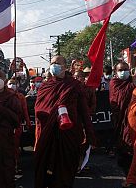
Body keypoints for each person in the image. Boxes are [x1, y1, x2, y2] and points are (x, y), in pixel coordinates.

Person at [34, 56, 96, 188]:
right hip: (48, 133)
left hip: (69, 133)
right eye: (52, 63)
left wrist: (90, 134)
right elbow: (38, 108)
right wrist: (51, 114)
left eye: (57, 63)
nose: (54, 65)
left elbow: (84, 111)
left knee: (66, 170)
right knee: (46, 169)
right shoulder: (45, 86)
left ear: (64, 67)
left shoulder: (74, 85)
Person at [109, 62, 136, 179]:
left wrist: (135, 83)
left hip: (134, 118)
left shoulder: (134, 80)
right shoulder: (114, 83)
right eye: (120, 70)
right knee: (124, 148)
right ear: (116, 72)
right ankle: (128, 176)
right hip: (121, 120)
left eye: (125, 69)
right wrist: (133, 85)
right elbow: (121, 97)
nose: (123, 72)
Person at [7, 78, 32, 175]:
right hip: (4, 125)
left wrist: (28, 123)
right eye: (10, 83)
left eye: (14, 84)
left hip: (17, 124)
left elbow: (25, 111)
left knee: (15, 146)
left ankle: (15, 165)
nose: (12, 85)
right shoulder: (2, 95)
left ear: (18, 86)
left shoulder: (21, 96)